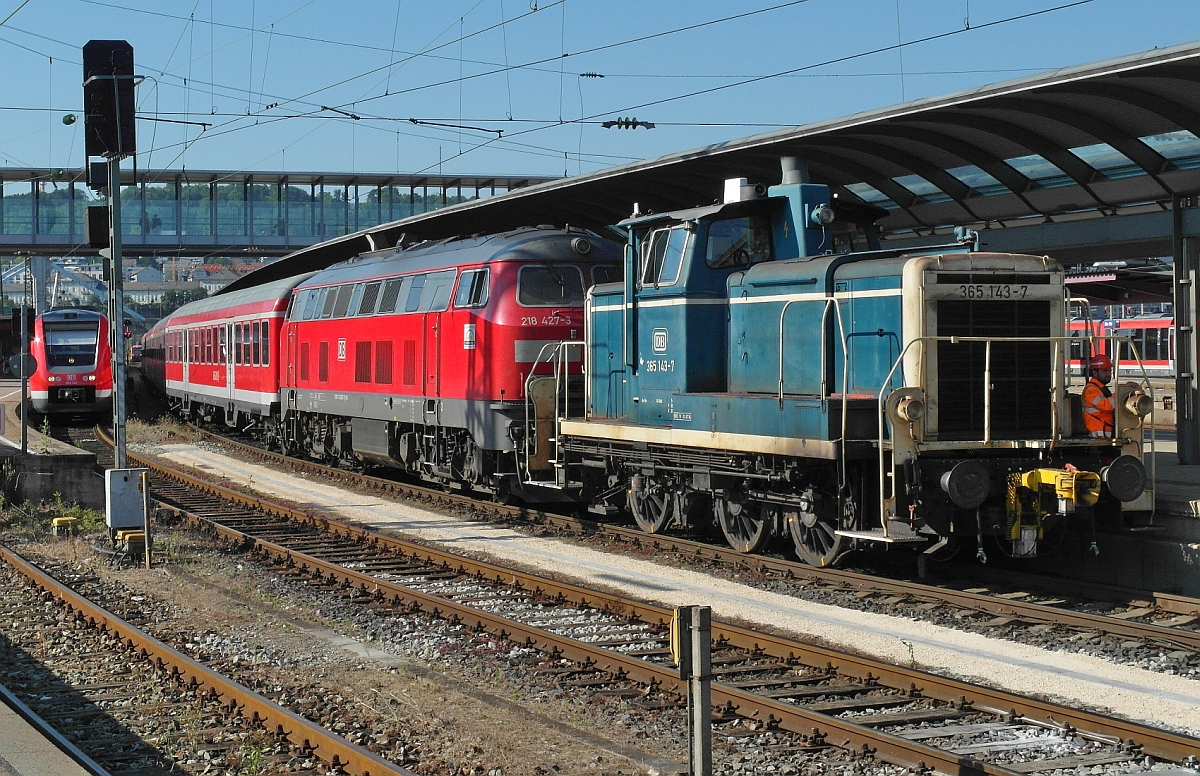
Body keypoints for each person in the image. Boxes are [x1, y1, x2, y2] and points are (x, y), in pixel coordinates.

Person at [1081, 354, 1115, 438]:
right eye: (1104, 371)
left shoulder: (1100, 388)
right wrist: (1122, 393)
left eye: (1109, 370)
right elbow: (1107, 406)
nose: (1108, 374)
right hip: (1098, 436)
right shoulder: (1091, 390)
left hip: (1104, 434)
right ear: (1095, 372)